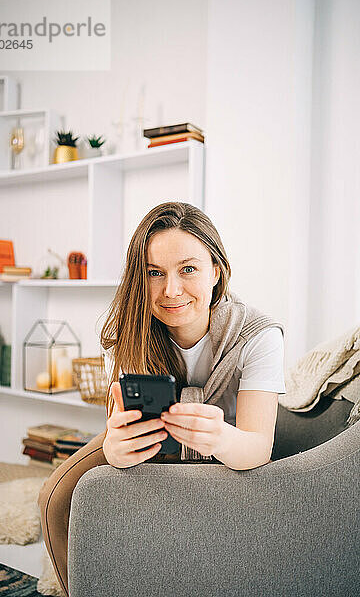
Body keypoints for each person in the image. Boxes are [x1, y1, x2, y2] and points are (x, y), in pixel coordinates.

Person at [38, 201, 285, 596]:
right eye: (155, 273)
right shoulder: (129, 332)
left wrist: (219, 437)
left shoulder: (259, 335)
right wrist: (115, 450)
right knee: (55, 497)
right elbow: (117, 425)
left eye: (188, 269)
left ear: (216, 272)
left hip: (229, 443)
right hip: (146, 437)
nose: (171, 290)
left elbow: (258, 447)